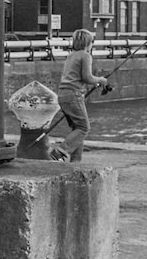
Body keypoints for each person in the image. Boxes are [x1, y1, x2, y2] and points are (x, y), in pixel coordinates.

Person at [18, 28, 107, 161]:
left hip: (63, 95)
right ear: (88, 42)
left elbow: (75, 76)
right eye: (91, 42)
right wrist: (100, 80)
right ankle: (61, 151)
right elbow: (87, 77)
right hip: (74, 94)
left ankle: (75, 162)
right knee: (83, 128)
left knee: (77, 129)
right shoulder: (85, 56)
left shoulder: (71, 55)